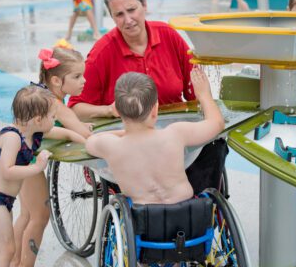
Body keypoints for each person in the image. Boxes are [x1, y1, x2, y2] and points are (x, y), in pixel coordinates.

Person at [69, 0, 229, 195]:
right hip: (129, 139)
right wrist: (108, 110)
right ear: (112, 17)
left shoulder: (168, 36)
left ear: (144, 5)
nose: (128, 20)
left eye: (132, 10)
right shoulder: (102, 53)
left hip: (170, 135)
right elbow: (76, 109)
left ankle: (204, 202)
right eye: (119, 14)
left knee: (214, 144)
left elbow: (194, 93)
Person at [0, 85, 84, 267]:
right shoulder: (11, 137)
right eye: (52, 117)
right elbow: (7, 171)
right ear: (38, 119)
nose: (54, 120)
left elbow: (66, 134)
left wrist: (87, 139)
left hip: (3, 200)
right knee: (6, 251)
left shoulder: (34, 134)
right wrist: (37, 166)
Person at [10, 48, 90, 267]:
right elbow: (84, 134)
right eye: (77, 76)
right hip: (28, 160)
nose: (83, 81)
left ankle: (14, 261)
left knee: (26, 214)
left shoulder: (42, 93)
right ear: (56, 80)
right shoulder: (55, 103)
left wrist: (71, 127)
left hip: (16, 151)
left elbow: (59, 127)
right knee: (40, 216)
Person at [86, 69, 224, 204]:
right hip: (185, 215)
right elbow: (217, 123)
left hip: (141, 221)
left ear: (117, 110)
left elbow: (91, 140)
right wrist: (204, 95)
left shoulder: (111, 145)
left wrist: (124, 133)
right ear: (155, 109)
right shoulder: (176, 133)